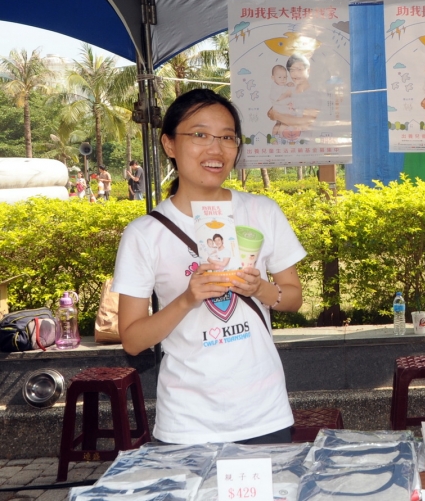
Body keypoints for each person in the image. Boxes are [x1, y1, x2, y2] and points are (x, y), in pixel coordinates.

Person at [112, 88, 306, 445]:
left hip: (264, 413)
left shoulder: (262, 211)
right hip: (187, 423)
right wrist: (188, 299)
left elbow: (294, 299)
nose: (215, 150)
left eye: (227, 137)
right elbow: (133, 340)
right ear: (169, 144)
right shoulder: (144, 233)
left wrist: (259, 288)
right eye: (200, 135)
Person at [267, 54, 320, 141]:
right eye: (292, 70)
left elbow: (305, 123)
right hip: (281, 144)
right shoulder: (290, 90)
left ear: (308, 70)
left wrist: (277, 115)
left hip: (302, 144)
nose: (295, 74)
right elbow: (271, 112)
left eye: (299, 69)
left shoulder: (312, 95)